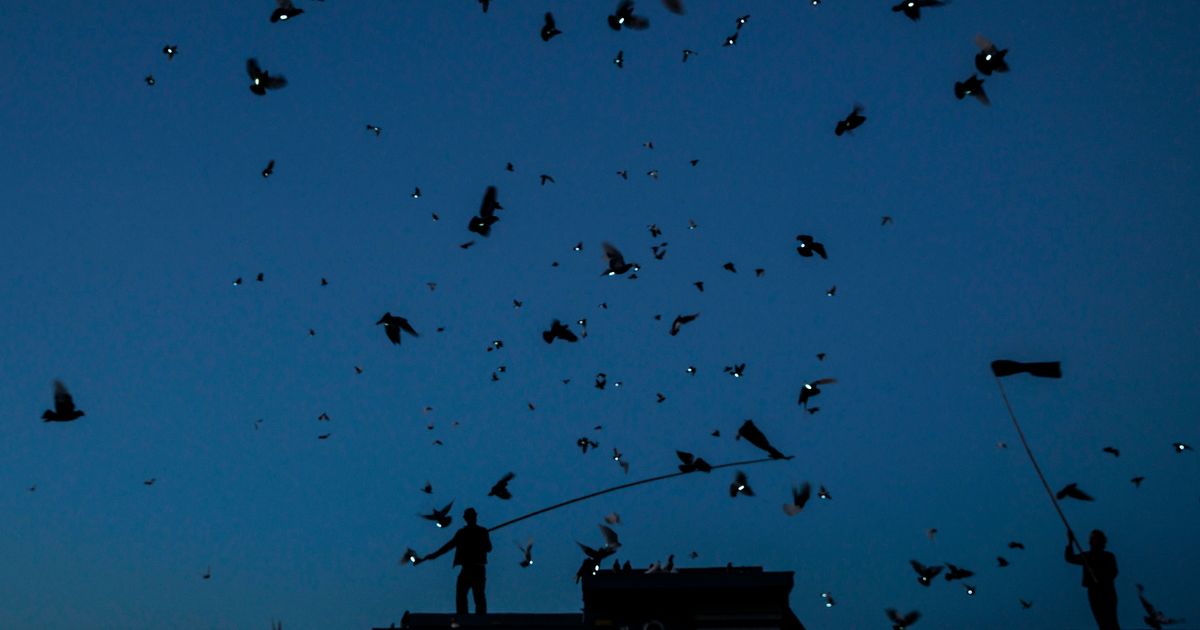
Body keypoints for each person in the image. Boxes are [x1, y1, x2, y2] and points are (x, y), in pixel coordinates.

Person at [419, 507, 493, 615]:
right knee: (464, 595)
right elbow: (450, 545)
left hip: (477, 568)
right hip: (469, 568)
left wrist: (479, 540)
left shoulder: (480, 532)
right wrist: (435, 554)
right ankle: (465, 618)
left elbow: (489, 548)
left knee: (476, 596)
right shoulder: (465, 533)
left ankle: (478, 620)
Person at [1064, 529, 1120, 630]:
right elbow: (1070, 558)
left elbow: (1113, 572)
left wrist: (1100, 577)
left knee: (1111, 621)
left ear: (1102, 541)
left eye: (1096, 538)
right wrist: (1070, 542)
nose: (1094, 541)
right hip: (1093, 592)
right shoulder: (1087, 556)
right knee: (1101, 621)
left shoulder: (1108, 556)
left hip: (1107, 591)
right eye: (1092, 539)